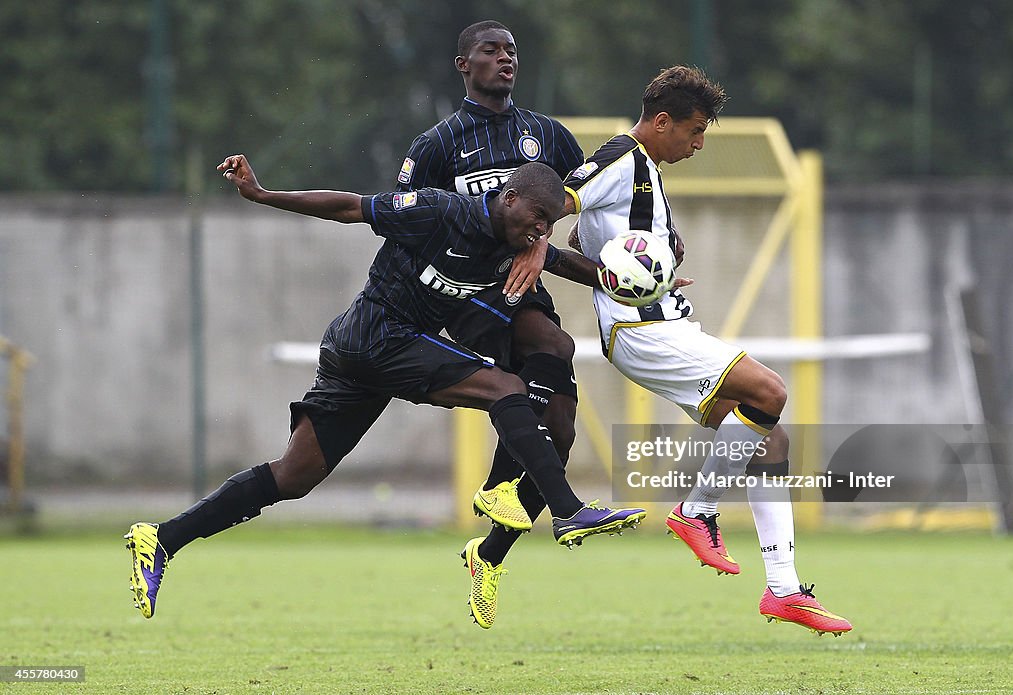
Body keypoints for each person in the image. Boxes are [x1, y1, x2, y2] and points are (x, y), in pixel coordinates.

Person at [123, 157, 646, 620]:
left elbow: (568, 264)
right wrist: (264, 195)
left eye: (550, 223)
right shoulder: (440, 211)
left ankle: (161, 540)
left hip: (370, 352)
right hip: (375, 336)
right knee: (505, 387)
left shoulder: (515, 238)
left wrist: (637, 280)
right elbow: (351, 207)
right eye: (537, 217)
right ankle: (569, 510)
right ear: (507, 196)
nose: (541, 230)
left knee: (293, 475)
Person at [508, 65, 853, 636]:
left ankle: (785, 589)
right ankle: (698, 510)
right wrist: (536, 245)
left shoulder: (646, 171)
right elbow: (553, 202)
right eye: (694, 132)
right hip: (641, 331)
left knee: (770, 437)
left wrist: (656, 272)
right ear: (662, 121)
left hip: (663, 318)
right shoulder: (621, 158)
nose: (697, 145)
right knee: (771, 391)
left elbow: (601, 244)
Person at [394, 20, 588, 630]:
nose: (505, 59)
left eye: (512, 51)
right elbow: (407, 220)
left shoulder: (547, 135)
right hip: (469, 296)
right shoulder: (437, 145)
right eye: (491, 51)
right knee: (555, 345)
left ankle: (489, 550)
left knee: (558, 430)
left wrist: (649, 242)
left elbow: (585, 196)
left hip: (523, 288)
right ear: (463, 65)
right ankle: (512, 496)